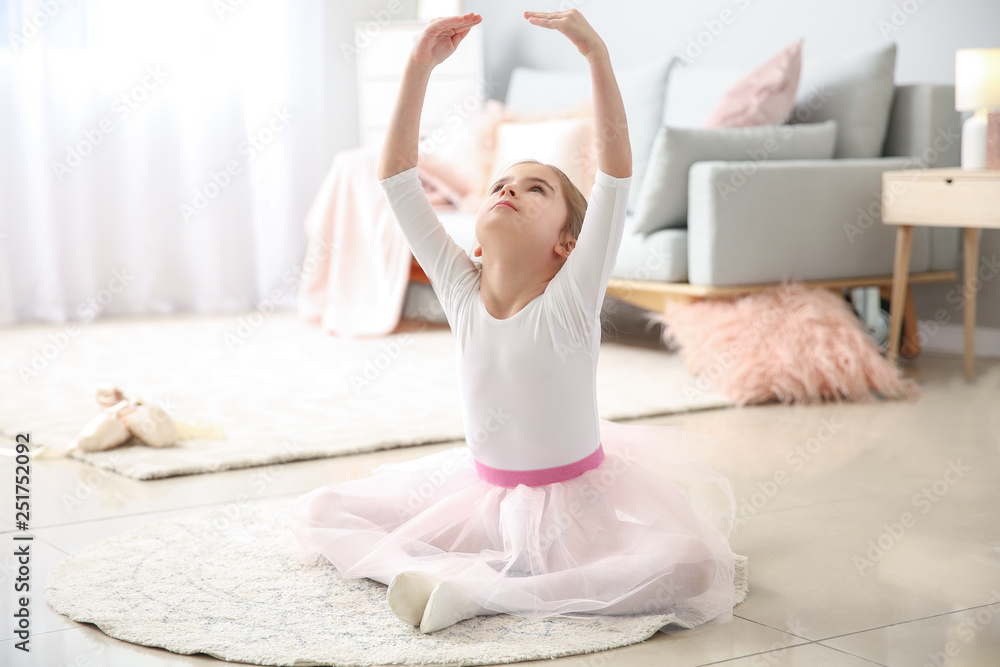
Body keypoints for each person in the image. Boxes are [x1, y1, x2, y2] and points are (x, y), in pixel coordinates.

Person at [289, 9, 739, 634]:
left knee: (690, 567)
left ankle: (478, 593)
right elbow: (396, 179)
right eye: (502, 183)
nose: (509, 189)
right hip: (484, 494)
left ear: (567, 244)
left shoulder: (571, 298)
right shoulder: (458, 288)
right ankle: (456, 581)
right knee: (326, 509)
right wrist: (418, 67)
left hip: (571, 507)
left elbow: (613, 176)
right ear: (474, 237)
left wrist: (595, 54)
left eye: (536, 190)